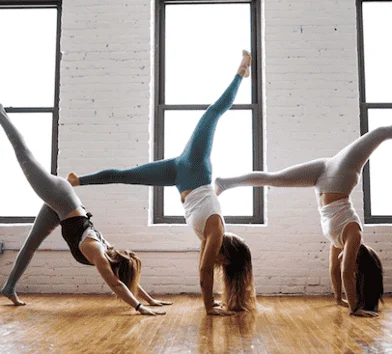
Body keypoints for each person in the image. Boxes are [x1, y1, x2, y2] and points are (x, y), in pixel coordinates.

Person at [68, 50, 256, 316]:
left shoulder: (208, 237)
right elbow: (203, 269)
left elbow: (202, 267)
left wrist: (211, 300)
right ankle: (241, 72)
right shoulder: (216, 229)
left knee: (127, 176)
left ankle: (79, 180)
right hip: (194, 168)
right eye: (223, 263)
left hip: (178, 178)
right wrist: (208, 306)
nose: (218, 265)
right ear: (226, 254)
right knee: (212, 114)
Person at [0, 105, 172, 316]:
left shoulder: (110, 254)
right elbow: (118, 286)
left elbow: (126, 280)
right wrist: (139, 307)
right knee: (25, 155)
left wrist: (150, 299)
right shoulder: (99, 253)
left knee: (30, 245)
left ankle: (9, 287)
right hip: (60, 196)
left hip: (61, 211)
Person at [214, 127, 387, 317]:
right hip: (342, 174)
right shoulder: (354, 234)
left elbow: (335, 270)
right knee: (380, 133)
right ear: (359, 262)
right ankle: (224, 183)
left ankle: (224, 183)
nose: (352, 271)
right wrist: (355, 309)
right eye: (356, 270)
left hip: (323, 174)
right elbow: (345, 272)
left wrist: (338, 298)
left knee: (275, 179)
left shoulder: (339, 241)